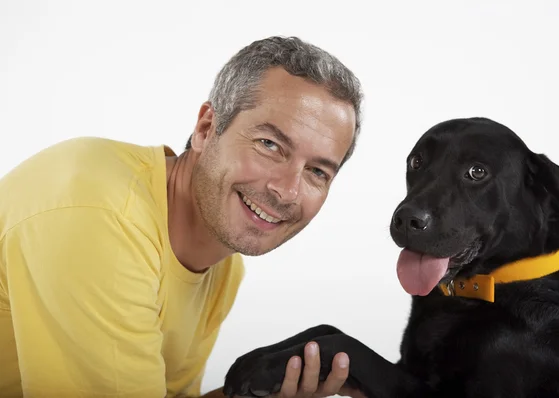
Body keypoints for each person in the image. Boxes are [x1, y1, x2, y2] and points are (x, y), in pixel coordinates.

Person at [0, 36, 364, 397]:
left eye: (317, 172)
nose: (287, 190)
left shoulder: (220, 263)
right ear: (206, 129)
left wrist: (255, 391)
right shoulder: (103, 219)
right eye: (270, 145)